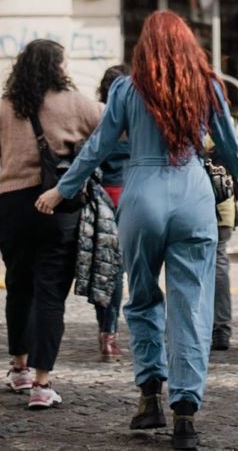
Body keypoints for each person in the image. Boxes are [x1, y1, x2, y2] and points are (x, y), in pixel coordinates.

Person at [35, 10, 238, 450]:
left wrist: (62, 189)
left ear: (144, 47)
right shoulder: (206, 86)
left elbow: (98, 145)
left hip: (141, 197)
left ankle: (149, 397)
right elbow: (232, 145)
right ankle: (185, 413)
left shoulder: (127, 88)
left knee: (142, 298)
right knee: (192, 306)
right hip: (194, 197)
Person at [0, 39, 103, 409]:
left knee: (18, 286)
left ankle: (19, 368)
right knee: (50, 293)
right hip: (59, 206)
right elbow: (114, 133)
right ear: (58, 67)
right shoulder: (77, 103)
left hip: (12, 207)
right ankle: (41, 384)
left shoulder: (3, 107)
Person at [94, 64, 130, 362]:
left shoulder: (99, 118)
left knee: (104, 268)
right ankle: (110, 336)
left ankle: (105, 331)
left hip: (103, 198)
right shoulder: (137, 119)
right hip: (131, 198)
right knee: (120, 270)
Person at [203, 118, 238, 352]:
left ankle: (198, 327)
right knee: (219, 264)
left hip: (192, 202)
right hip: (223, 203)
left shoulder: (187, 118)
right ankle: (221, 329)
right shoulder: (232, 125)